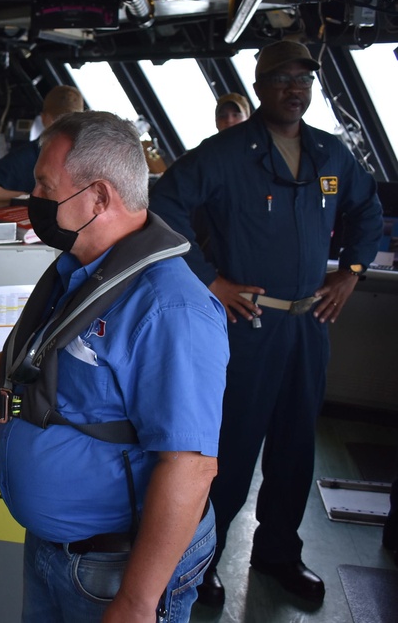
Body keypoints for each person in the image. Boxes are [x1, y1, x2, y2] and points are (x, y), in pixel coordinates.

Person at [0, 111, 229, 623]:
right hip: (55, 552)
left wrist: (135, 603)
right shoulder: (81, 273)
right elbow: (30, 363)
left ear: (99, 197)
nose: (33, 197)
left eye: (45, 185)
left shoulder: (171, 309)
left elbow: (190, 466)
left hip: (116, 569)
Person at [150, 39, 384, 609]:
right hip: (247, 327)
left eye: (304, 79)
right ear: (260, 86)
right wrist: (210, 280)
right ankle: (202, 559)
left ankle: (278, 552)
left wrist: (350, 273)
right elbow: (163, 206)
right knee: (229, 451)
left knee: (296, 448)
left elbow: (367, 210)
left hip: (308, 327)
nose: (294, 89)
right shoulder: (226, 154)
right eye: (282, 78)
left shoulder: (330, 153)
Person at [0, 85, 84, 201]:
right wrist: (26, 198)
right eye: (58, 120)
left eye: (69, 121)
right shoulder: (28, 157)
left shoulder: (89, 156)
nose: (63, 128)